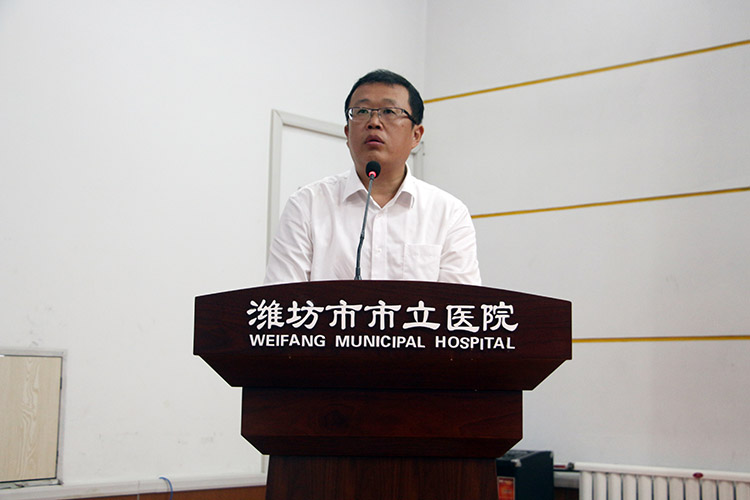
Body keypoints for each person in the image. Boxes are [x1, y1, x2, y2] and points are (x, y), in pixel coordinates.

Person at [264, 69, 481, 285]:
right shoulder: (307, 205)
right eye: (361, 111)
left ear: (416, 135)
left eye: (389, 111)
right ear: (348, 133)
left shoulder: (448, 214)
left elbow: (461, 302)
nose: (374, 122)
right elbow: (282, 298)